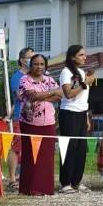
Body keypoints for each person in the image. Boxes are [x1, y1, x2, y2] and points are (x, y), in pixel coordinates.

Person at [18, 54, 61, 196]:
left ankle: (45, 188)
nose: (39, 67)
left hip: (48, 121)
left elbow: (59, 95)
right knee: (31, 155)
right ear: (31, 65)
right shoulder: (24, 79)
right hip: (30, 122)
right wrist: (51, 93)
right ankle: (29, 188)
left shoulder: (49, 79)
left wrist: (46, 93)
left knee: (47, 157)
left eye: (42, 64)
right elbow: (32, 95)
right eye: (36, 64)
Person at [58, 45, 94, 194]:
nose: (84, 57)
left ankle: (76, 181)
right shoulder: (66, 72)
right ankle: (65, 182)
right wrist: (85, 84)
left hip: (81, 112)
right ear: (72, 57)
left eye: (84, 54)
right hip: (69, 113)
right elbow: (68, 94)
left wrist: (86, 116)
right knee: (69, 147)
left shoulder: (81, 72)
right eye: (81, 55)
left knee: (80, 148)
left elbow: (82, 98)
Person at [7, 47, 34, 190]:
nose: (33, 60)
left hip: (34, 117)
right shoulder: (17, 77)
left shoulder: (34, 76)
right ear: (23, 60)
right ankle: (11, 177)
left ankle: (24, 175)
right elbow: (18, 95)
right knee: (16, 147)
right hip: (20, 116)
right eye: (30, 58)